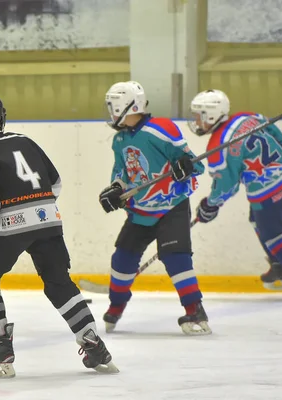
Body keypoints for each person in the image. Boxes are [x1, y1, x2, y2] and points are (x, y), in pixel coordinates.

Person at [0, 94, 118, 378]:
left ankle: (0, 344)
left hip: (11, 225)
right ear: (1, 119)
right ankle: (93, 344)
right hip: (48, 220)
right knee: (58, 282)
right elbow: (55, 184)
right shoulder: (25, 141)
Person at [98, 81, 211, 335]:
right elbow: (122, 173)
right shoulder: (120, 139)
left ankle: (195, 309)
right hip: (141, 211)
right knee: (122, 259)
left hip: (172, 205)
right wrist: (116, 190)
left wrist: (184, 166)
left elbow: (194, 164)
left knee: (175, 257)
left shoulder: (161, 129)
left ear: (126, 105)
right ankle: (116, 307)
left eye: (113, 106)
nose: (111, 111)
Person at [188, 89, 282, 298]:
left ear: (210, 115)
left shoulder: (218, 146)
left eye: (198, 116)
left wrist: (210, 205)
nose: (195, 121)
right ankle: (279, 264)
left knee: (271, 233)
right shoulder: (246, 116)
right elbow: (277, 135)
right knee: (256, 219)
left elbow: (227, 187)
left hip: (269, 188)